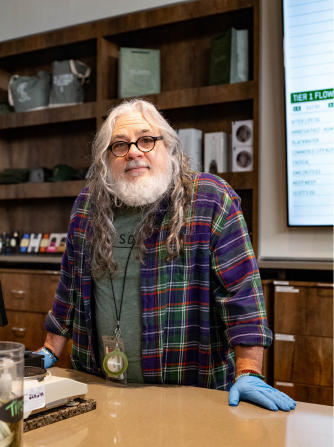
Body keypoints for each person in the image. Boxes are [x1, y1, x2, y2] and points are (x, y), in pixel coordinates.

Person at [37, 99, 296, 412]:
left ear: (170, 148)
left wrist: (249, 371)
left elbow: (242, 297)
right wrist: (48, 351)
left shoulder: (210, 200)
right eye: (119, 145)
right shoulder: (88, 205)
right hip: (101, 394)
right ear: (107, 160)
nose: (133, 151)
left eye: (146, 140)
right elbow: (69, 288)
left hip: (189, 399)